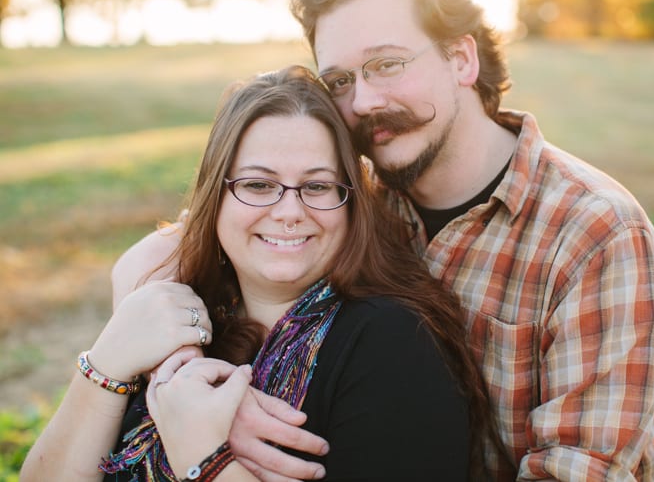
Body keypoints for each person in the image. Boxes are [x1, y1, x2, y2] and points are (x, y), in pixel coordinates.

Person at [110, 0, 654, 480]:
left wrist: (209, 455)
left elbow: (578, 473)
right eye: (339, 78)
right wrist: (193, 379)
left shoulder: (596, 234)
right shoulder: (353, 193)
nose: (363, 102)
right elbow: (165, 250)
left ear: (462, 59)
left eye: (388, 64)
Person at [21, 66, 499, 482]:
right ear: (215, 196)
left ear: (351, 202)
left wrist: (204, 458)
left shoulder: (392, 342)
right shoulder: (176, 315)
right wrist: (106, 363)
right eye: (257, 184)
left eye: (316, 185)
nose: (289, 210)